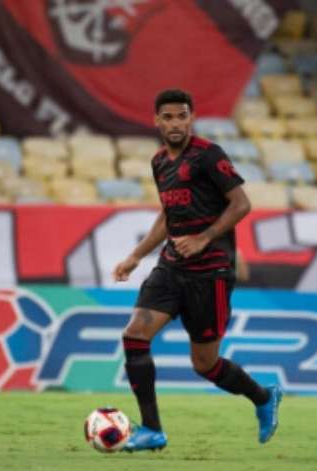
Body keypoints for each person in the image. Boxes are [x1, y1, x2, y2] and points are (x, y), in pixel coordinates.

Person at [112, 89, 282, 452]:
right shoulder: (159, 162)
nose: (175, 123)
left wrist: (205, 237)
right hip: (171, 267)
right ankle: (152, 429)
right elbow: (166, 217)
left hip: (210, 273)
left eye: (182, 116)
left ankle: (263, 397)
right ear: (156, 120)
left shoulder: (208, 156)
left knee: (205, 364)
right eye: (168, 117)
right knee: (135, 335)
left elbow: (241, 203)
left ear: (191, 118)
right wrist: (136, 256)